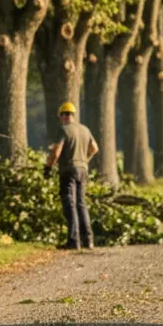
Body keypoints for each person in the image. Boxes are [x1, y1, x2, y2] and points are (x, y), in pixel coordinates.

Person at [46, 102, 99, 250]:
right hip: (83, 170)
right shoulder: (85, 129)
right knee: (81, 203)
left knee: (70, 203)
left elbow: (56, 151)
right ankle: (88, 240)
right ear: (73, 115)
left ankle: (74, 241)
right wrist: (84, 160)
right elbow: (95, 148)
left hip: (68, 170)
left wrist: (49, 166)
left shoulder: (64, 130)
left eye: (60, 116)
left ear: (63, 115)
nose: (60, 119)